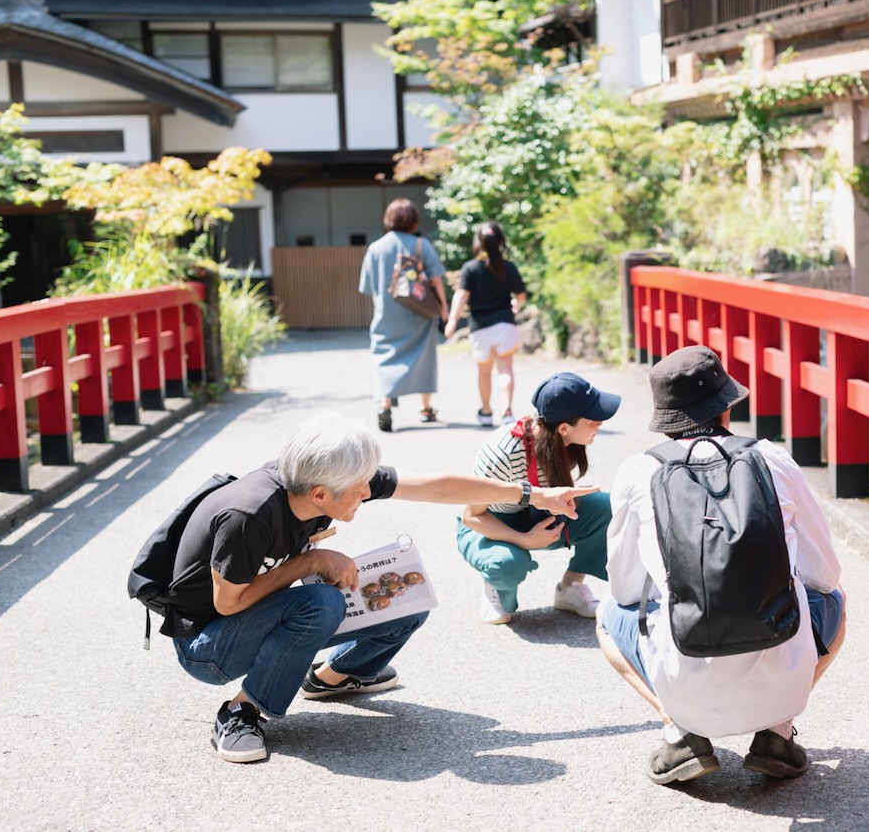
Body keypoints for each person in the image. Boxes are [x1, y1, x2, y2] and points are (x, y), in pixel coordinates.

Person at [166, 412, 596, 764]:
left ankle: (334, 677)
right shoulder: (249, 514)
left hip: (255, 614)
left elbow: (437, 486)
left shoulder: (328, 478)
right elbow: (228, 602)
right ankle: (240, 711)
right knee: (320, 601)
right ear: (320, 494)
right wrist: (310, 561)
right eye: (359, 493)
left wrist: (532, 494)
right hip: (208, 645)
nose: (366, 495)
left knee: (405, 595)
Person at [597, 346, 846, 784]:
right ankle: (777, 731)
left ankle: (679, 731)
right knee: (835, 600)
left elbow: (624, 591)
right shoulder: (774, 459)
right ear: (725, 407)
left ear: (667, 418)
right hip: (782, 681)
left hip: (685, 684)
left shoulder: (639, 472)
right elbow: (823, 575)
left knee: (607, 616)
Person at [457, 372, 620, 624]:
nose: (600, 423)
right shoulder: (504, 452)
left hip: (533, 513)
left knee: (611, 508)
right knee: (506, 564)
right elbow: (471, 515)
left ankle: (570, 587)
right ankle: (496, 590)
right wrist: (524, 540)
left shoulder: (560, 437)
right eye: (594, 418)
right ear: (564, 427)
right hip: (487, 523)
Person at [358, 198, 448, 431]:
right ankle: (426, 409)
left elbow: (366, 288)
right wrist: (444, 307)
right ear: (413, 220)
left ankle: (385, 404)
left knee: (383, 356)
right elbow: (436, 278)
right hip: (419, 313)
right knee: (424, 357)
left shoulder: (375, 248)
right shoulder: (421, 245)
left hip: (386, 314)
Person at [443, 221, 528, 427]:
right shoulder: (508, 267)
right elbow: (521, 294)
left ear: (478, 243)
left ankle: (487, 412)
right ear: (500, 241)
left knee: (484, 371)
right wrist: (516, 304)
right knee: (505, 369)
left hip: (480, 328)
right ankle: (507, 412)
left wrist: (452, 320)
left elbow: (461, 295)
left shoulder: (471, 268)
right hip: (505, 325)